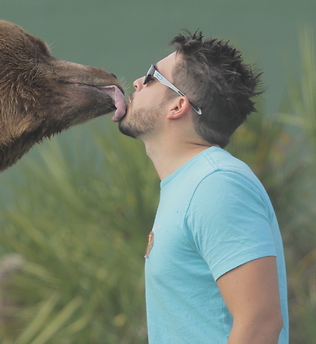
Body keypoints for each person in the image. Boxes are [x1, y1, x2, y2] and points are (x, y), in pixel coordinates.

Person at [116, 30, 289, 343]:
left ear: (178, 105)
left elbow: (261, 322)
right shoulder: (192, 184)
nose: (138, 83)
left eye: (152, 76)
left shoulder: (216, 185)